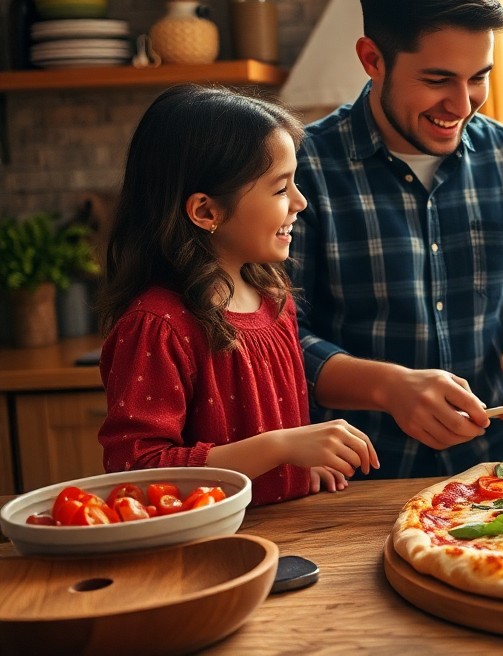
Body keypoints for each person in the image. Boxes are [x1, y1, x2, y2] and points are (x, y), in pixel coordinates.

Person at [291, 0, 503, 478]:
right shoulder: (303, 170)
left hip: (494, 475)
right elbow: (272, 339)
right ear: (372, 59)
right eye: (438, 80)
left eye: (479, 77)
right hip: (355, 483)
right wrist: (387, 387)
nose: (462, 105)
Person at [98, 85, 378, 506]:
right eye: (280, 188)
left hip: (291, 530)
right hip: (208, 553)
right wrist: (279, 448)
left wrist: (299, 463)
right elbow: (135, 472)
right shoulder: (157, 326)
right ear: (206, 212)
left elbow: (271, 435)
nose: (300, 202)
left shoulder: (272, 295)